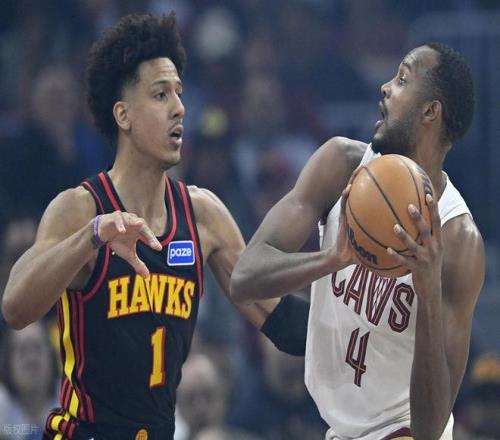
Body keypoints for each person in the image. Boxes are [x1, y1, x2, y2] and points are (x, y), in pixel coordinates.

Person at [1, 13, 289, 440]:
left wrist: (338, 269)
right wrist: (91, 237)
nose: (179, 107)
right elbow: (15, 308)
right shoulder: (80, 208)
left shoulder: (203, 214)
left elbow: (278, 320)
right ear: (124, 115)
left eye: (179, 93)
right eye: (160, 94)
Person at [231, 42, 485, 440]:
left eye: (402, 79)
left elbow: (430, 428)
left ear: (430, 112)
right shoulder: (340, 165)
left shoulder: (457, 240)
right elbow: (244, 279)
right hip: (339, 427)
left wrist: (427, 290)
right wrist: (330, 259)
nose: (385, 87)